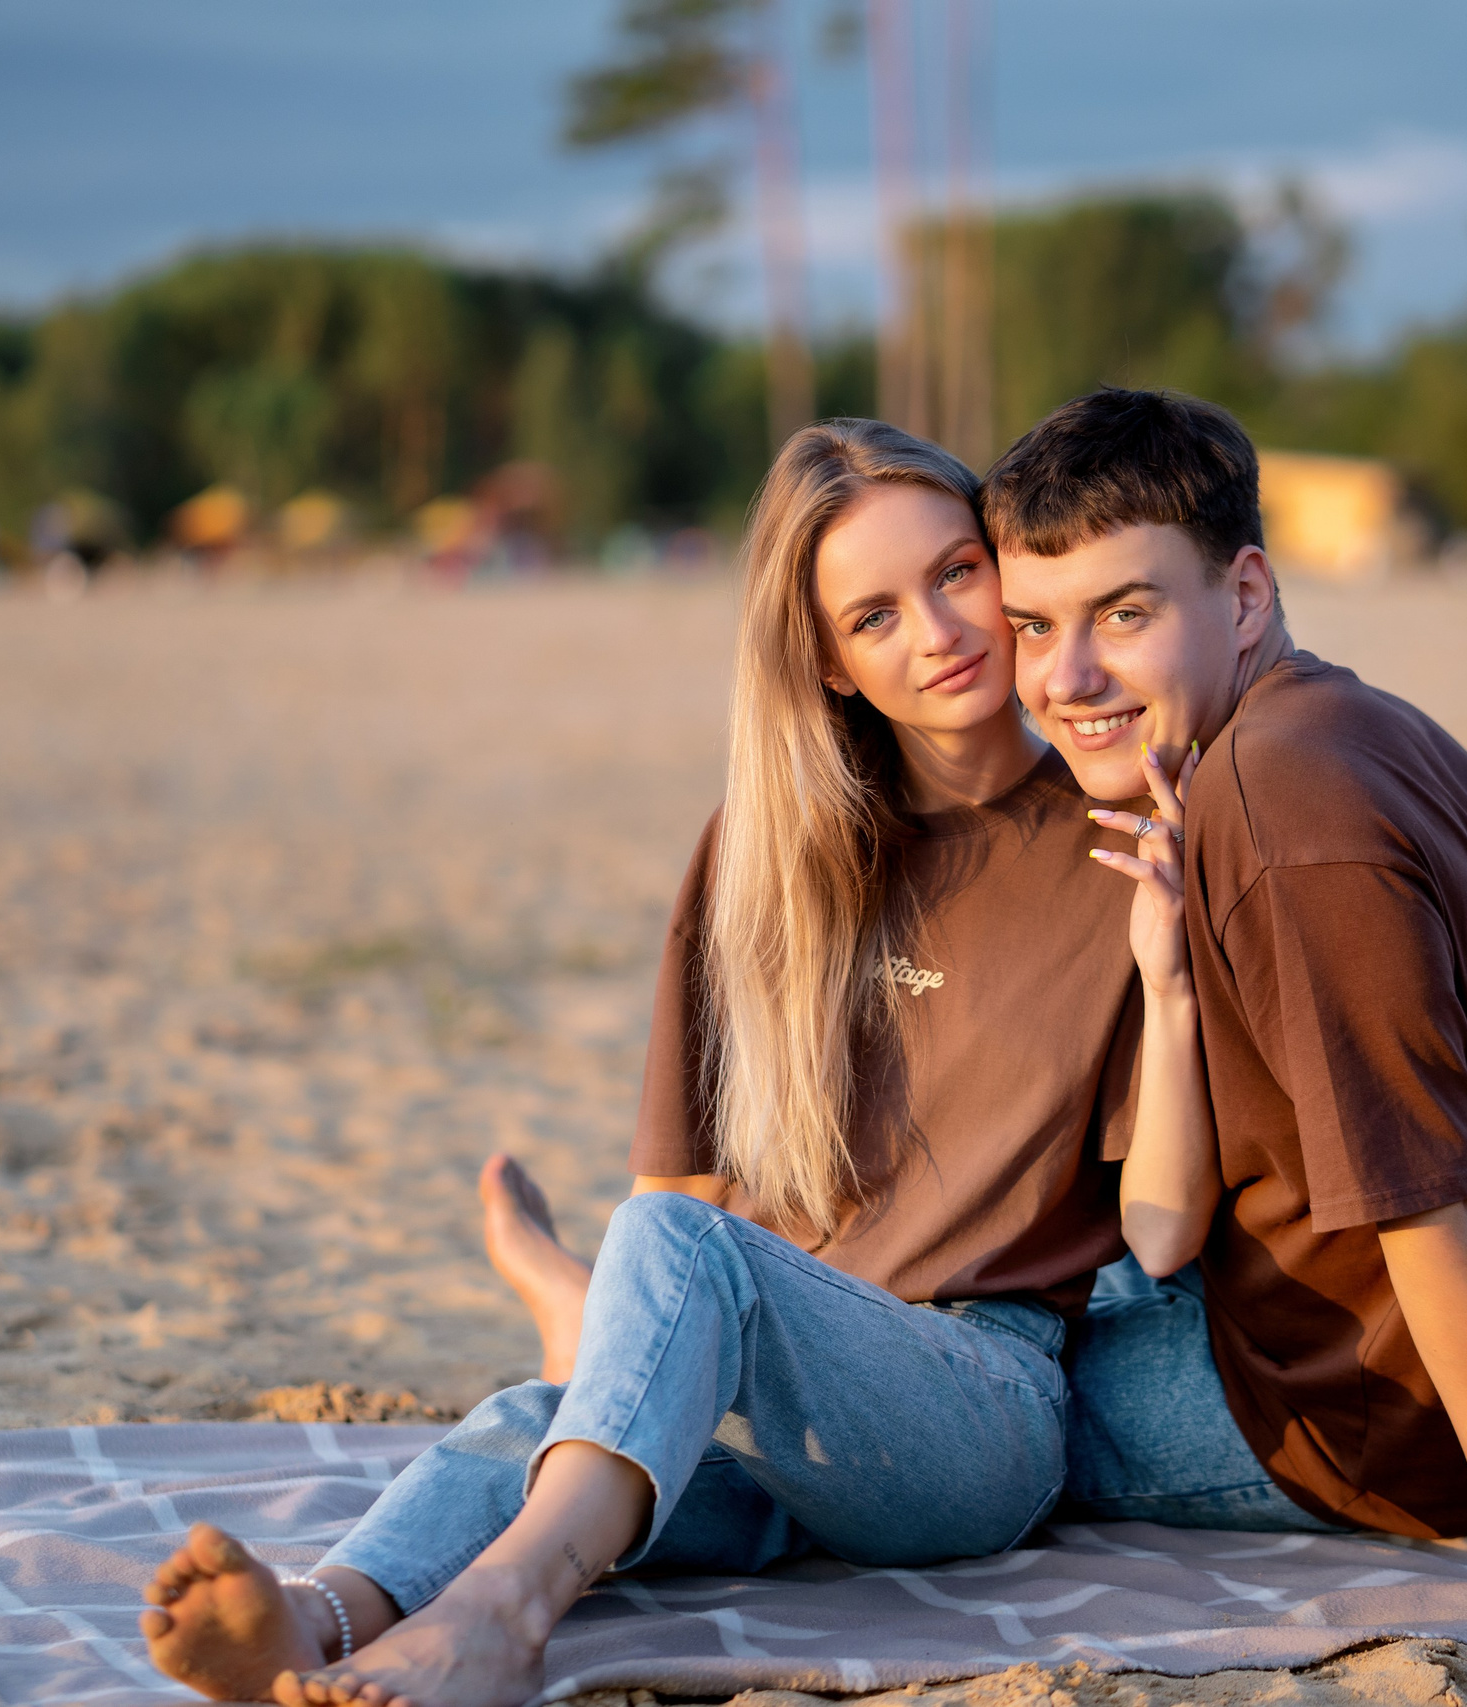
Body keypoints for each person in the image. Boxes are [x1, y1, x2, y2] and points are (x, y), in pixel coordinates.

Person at [137, 418, 1221, 1707]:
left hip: (977, 1403)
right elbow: (696, 1194)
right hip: (772, 1392)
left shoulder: (1117, 840)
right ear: (825, 664)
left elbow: (1157, 1236)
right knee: (525, 1430)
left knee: (663, 1256)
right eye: (872, 616)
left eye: (954, 573)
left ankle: (504, 1612)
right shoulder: (765, 858)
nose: (937, 632)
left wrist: (1169, 985)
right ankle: (323, 1620)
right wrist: (631, 1365)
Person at [983, 387, 1467, 1592]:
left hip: (1358, 1432)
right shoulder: (1341, 722)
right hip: (1454, 1364)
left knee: (940, 1393)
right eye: (1031, 627)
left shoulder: (1286, 817)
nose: (1066, 679)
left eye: (1121, 615)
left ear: (1243, 596)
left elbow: (1434, 1204)